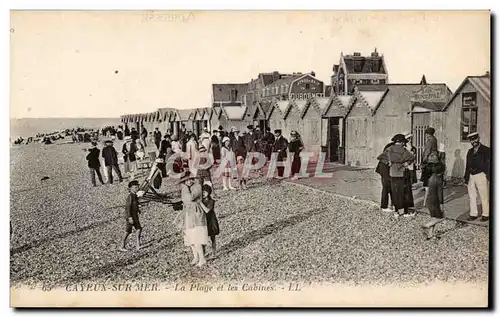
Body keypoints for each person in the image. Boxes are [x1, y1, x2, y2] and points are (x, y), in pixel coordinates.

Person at [175, 171, 209, 267]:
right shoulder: (185, 189)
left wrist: (185, 188)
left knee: (197, 237)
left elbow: (190, 198)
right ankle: (196, 257)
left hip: (196, 213)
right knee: (190, 238)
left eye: (190, 179)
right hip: (188, 214)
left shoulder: (197, 187)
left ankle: (202, 258)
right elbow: (185, 201)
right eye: (186, 180)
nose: (189, 181)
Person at [377, 134, 415, 218]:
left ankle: (396, 211)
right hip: (401, 173)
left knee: (395, 192)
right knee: (403, 192)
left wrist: (389, 163)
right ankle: (404, 212)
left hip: (392, 173)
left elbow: (380, 157)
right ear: (402, 142)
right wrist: (407, 163)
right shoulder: (404, 150)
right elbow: (411, 158)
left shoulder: (389, 149)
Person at [464, 132, 490, 222]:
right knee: (472, 196)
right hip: (471, 176)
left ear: (479, 138)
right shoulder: (470, 151)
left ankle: (486, 214)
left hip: (481, 175)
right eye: (471, 140)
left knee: (484, 195)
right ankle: (473, 214)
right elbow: (467, 165)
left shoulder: (486, 150)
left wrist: (488, 176)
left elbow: (489, 164)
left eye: (475, 139)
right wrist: (466, 178)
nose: (473, 141)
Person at [422, 151, 446, 239]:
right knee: (441, 218)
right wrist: (442, 205)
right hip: (435, 202)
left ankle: (430, 234)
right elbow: (440, 194)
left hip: (429, 201)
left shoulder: (431, 178)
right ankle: (426, 225)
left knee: (434, 217)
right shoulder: (439, 180)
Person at [119, 180, 143, 251]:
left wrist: (138, 208)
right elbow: (128, 207)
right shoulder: (130, 197)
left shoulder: (135, 196)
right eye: (135, 187)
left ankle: (138, 245)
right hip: (130, 216)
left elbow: (135, 203)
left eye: (137, 187)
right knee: (128, 231)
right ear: (131, 188)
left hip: (135, 215)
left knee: (139, 229)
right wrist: (129, 217)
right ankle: (121, 246)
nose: (137, 188)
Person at [199, 184, 219, 258]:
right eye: (202, 192)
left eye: (205, 192)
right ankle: (203, 253)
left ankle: (214, 252)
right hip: (204, 221)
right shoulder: (201, 201)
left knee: (212, 237)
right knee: (203, 238)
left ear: (209, 192)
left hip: (211, 220)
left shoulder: (211, 201)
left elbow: (207, 210)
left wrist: (200, 203)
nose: (203, 194)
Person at [420, 127, 439, 204]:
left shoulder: (430, 140)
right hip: (435, 160)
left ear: (427, 134)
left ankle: (427, 198)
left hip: (430, 160)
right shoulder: (434, 139)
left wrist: (423, 160)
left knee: (427, 178)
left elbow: (427, 151)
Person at [376, 140, 394, 212]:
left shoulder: (392, 146)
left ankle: (392, 205)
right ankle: (384, 206)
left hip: (386, 168)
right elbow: (381, 157)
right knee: (386, 187)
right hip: (384, 168)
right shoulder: (392, 147)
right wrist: (388, 162)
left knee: (391, 186)